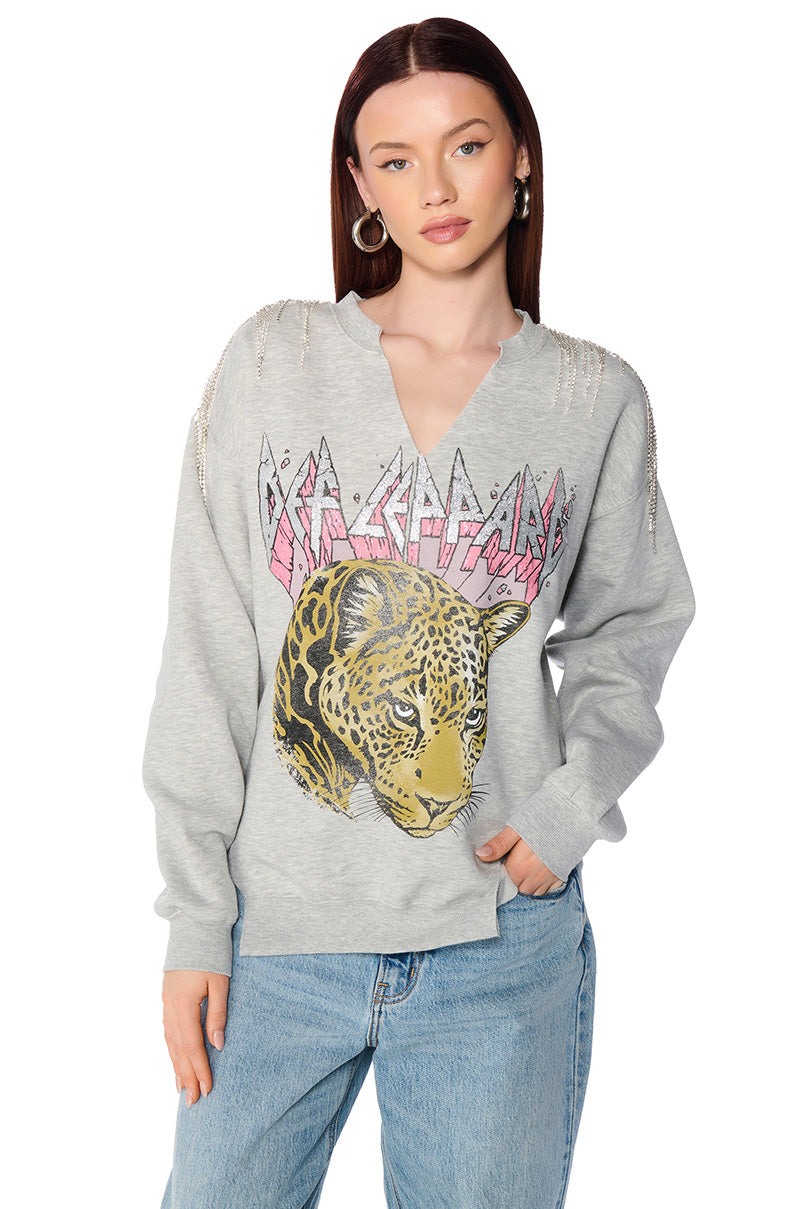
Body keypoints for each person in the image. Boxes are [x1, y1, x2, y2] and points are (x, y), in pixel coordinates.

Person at [143, 17, 695, 1209]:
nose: (434, 189)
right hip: (273, 945)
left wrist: (565, 810)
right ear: (359, 185)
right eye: (395, 159)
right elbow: (208, 650)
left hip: (495, 945)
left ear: (520, 158)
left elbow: (631, 631)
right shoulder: (274, 359)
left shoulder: (591, 397)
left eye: (466, 146)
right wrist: (193, 917)